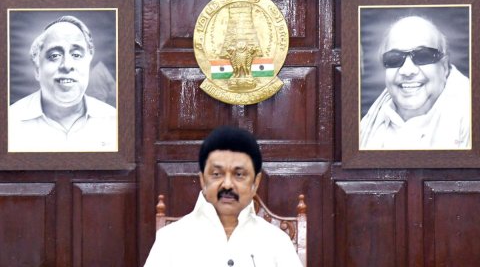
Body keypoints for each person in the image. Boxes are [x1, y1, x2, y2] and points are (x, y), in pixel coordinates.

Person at [144, 126, 303, 267]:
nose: (227, 184)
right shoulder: (171, 240)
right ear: (202, 180)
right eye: (216, 174)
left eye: (239, 174)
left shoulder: (277, 242)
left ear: (256, 182)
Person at [8, 15, 117, 152]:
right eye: (54, 55)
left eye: (76, 55)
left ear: (89, 64)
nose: (66, 65)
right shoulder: (8, 123)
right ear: (37, 69)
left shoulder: (115, 122)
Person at [360, 15, 471, 150]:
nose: (407, 71)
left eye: (423, 56)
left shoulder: (471, 116)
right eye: (394, 58)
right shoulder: (367, 124)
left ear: (445, 67)